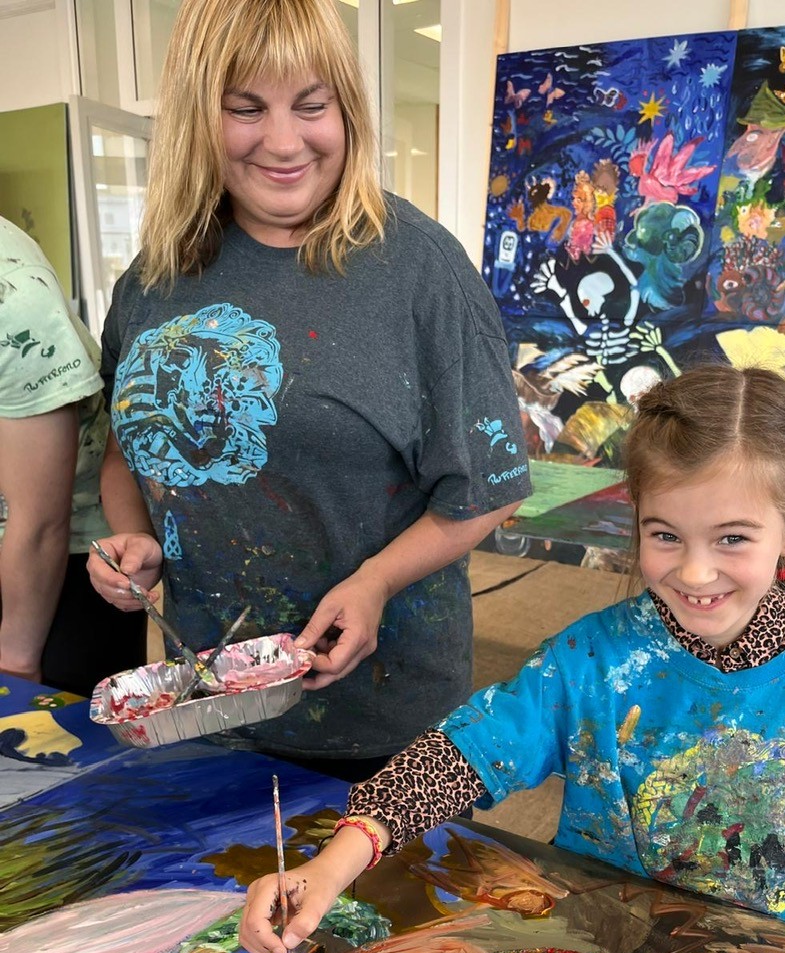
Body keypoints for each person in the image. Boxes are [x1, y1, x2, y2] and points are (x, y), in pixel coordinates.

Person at [241, 363, 785, 953]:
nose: (697, 571)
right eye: (665, 535)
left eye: (732, 538)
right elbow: (459, 756)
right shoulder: (592, 659)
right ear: (636, 519)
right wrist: (330, 867)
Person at [87, 0, 529, 780]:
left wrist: (374, 582)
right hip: (204, 706)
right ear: (198, 118)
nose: (285, 142)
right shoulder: (155, 275)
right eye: (245, 109)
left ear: (347, 112)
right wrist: (137, 543)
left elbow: (489, 488)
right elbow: (129, 453)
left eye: (312, 105)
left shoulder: (419, 268)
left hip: (381, 719)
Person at [0, 215, 146, 694]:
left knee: (49, 740)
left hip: (66, 561)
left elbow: (40, 523)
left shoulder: (15, 303)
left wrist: (17, 670)